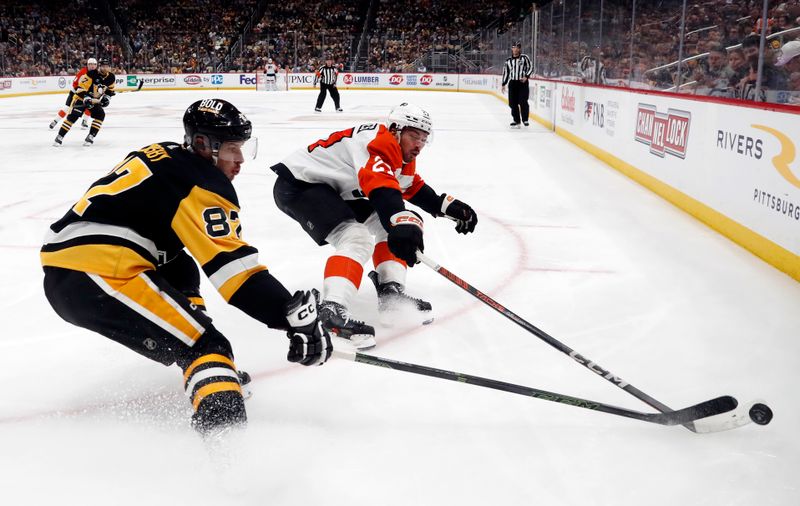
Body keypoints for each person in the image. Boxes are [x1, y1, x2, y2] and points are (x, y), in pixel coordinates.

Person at [41, 99, 332, 436]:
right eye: (233, 148)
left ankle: (203, 371)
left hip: (76, 270)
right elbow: (236, 274)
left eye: (243, 148)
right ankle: (232, 451)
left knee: (182, 269)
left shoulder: (164, 153)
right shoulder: (202, 181)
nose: (239, 159)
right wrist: (291, 319)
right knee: (208, 346)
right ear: (202, 144)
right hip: (99, 269)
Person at [270, 103, 478, 350]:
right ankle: (331, 311)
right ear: (395, 130)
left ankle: (391, 292)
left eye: (424, 139)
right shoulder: (379, 142)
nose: (419, 145)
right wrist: (398, 221)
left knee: (398, 222)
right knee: (356, 238)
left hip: (331, 189)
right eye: (414, 136)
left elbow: (409, 187)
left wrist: (447, 206)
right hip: (300, 184)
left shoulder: (398, 151)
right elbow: (382, 190)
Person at [53, 58, 116, 146]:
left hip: (94, 100)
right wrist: (86, 98)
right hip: (81, 98)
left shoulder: (111, 77)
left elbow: (110, 90)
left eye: (107, 66)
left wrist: (107, 97)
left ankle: (90, 136)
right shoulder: (91, 74)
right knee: (72, 118)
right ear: (99, 67)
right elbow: (81, 88)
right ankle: (60, 136)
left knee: (100, 115)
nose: (105, 68)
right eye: (103, 66)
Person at [49, 57, 96, 130]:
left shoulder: (96, 73)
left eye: (94, 64)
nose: (92, 66)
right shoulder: (83, 72)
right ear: (87, 65)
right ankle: (55, 121)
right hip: (75, 93)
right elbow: (75, 83)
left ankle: (84, 121)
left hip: (86, 94)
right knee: (67, 108)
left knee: (90, 106)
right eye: (90, 64)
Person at [501, 43, 532, 128]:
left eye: (517, 48)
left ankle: (525, 119)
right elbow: (506, 73)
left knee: (523, 101)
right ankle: (516, 120)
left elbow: (531, 67)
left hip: (522, 82)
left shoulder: (524, 58)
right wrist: (503, 83)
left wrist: (526, 76)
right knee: (512, 103)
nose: (515, 49)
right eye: (513, 47)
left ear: (519, 49)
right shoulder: (508, 60)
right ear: (512, 49)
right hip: (513, 83)